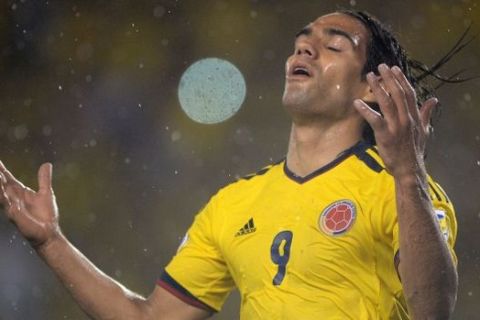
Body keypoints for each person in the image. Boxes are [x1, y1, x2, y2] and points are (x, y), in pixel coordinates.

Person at [0, 10, 460, 320]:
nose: (305, 50)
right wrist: (51, 242)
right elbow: (149, 317)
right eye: (301, 42)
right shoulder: (233, 204)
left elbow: (434, 307)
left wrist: (406, 174)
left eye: (333, 46)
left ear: (369, 87)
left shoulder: (399, 188)